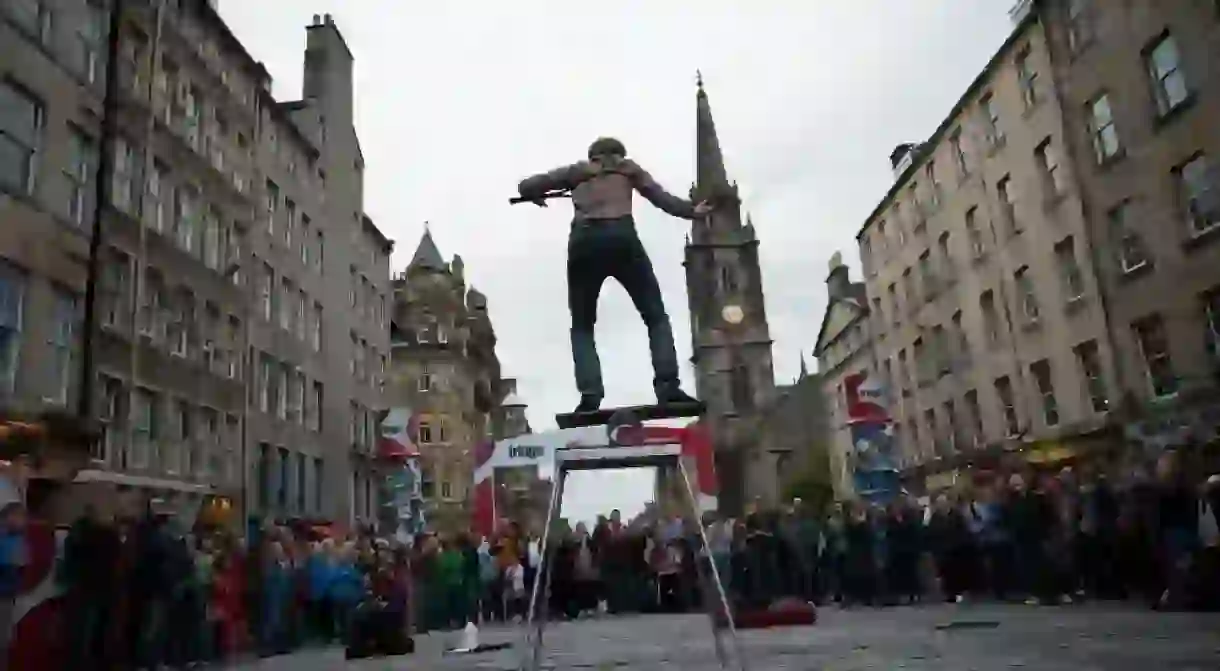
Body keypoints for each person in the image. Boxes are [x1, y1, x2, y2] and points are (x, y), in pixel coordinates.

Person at [517, 137, 713, 413]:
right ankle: (668, 387)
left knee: (583, 326)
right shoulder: (628, 169)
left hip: (584, 243)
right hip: (622, 238)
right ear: (619, 154)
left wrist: (534, 194)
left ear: (593, 156)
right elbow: (662, 199)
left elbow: (526, 186)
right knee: (655, 316)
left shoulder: (578, 172)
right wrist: (693, 212)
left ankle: (590, 396)